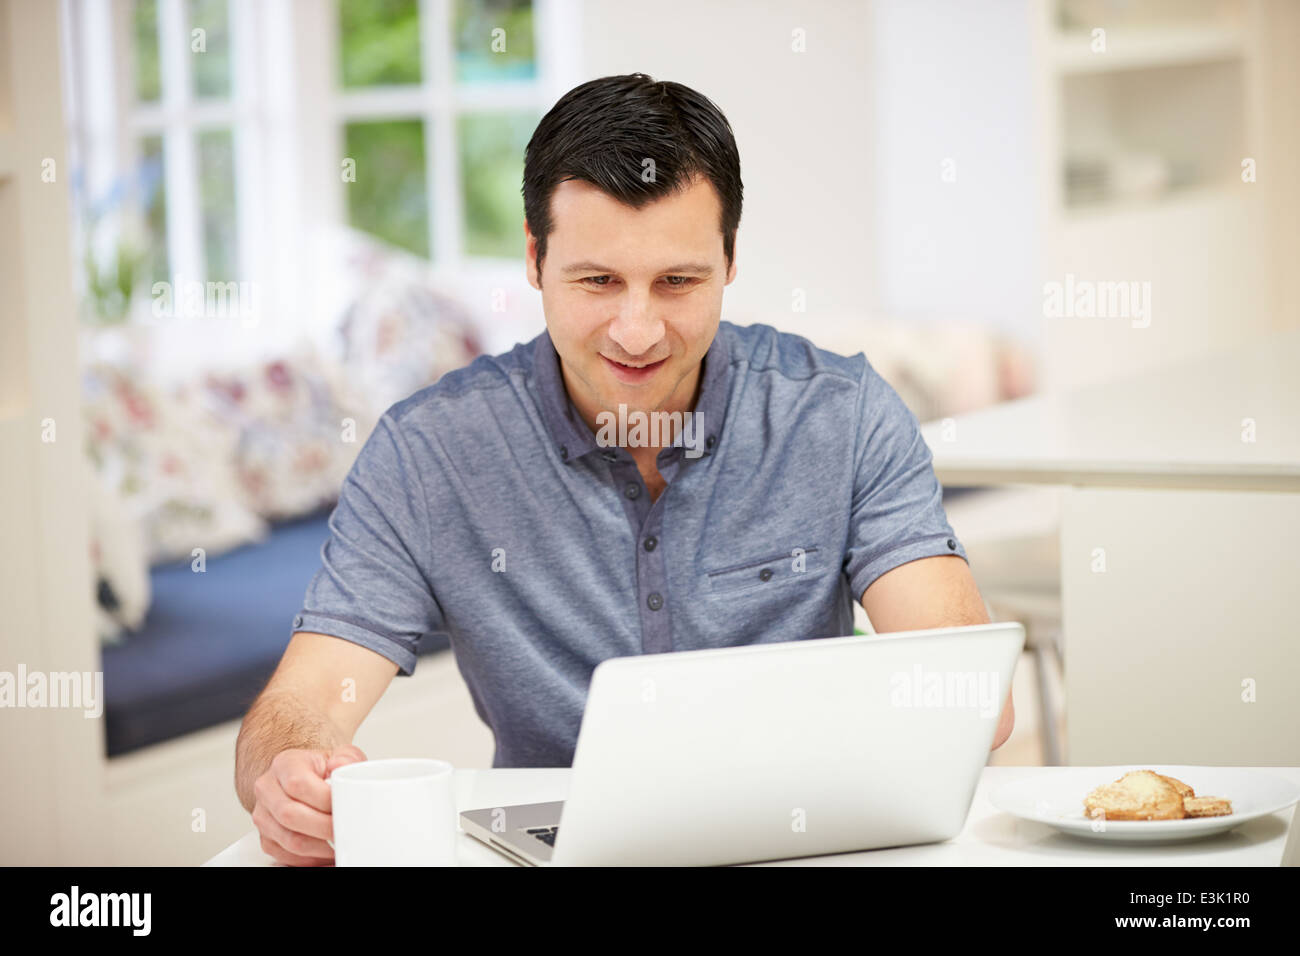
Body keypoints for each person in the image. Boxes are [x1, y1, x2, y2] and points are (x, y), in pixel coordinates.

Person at [235, 73, 1013, 866]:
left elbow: (966, 694)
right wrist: (290, 770)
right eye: (597, 281)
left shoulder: (842, 415)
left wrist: (928, 715)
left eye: (677, 282)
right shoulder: (428, 454)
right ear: (535, 260)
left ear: (731, 260)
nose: (637, 331)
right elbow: (299, 705)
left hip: (808, 846)